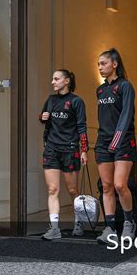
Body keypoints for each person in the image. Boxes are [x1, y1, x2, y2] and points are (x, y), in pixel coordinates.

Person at [94, 48, 137, 245]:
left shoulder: (125, 87)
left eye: (103, 63)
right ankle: (110, 227)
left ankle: (129, 223)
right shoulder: (100, 90)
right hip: (103, 143)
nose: (100, 67)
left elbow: (126, 114)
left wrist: (117, 139)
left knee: (120, 185)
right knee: (107, 186)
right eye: (98, 65)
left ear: (114, 64)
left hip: (123, 141)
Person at [39, 69, 89, 240]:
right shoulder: (51, 100)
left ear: (66, 81)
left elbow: (82, 126)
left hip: (70, 149)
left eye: (56, 79)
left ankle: (78, 223)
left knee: (73, 190)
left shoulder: (76, 101)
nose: (53, 82)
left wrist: (84, 150)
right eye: (52, 79)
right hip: (52, 149)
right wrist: (42, 117)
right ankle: (54, 228)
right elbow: (44, 118)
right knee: (53, 189)